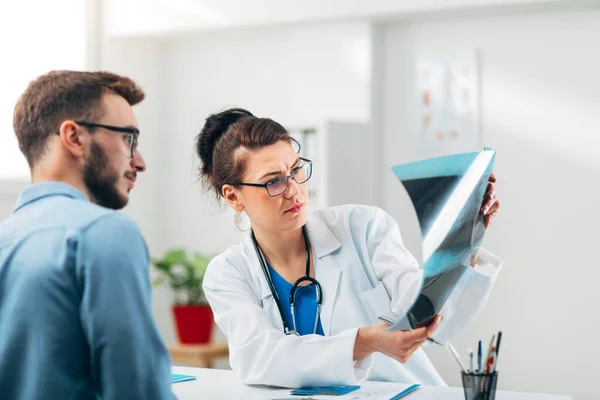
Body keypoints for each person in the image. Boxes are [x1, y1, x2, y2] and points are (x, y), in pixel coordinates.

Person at [197, 108, 502, 388]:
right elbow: (258, 357)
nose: (294, 190)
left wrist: (461, 244)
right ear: (233, 196)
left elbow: (425, 309)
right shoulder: (228, 273)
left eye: (296, 170)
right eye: (273, 182)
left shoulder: (362, 227)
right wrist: (364, 341)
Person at [0, 71, 174, 399]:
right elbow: (137, 389)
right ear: (74, 138)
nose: (140, 161)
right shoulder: (104, 232)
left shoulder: (6, 238)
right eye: (129, 139)